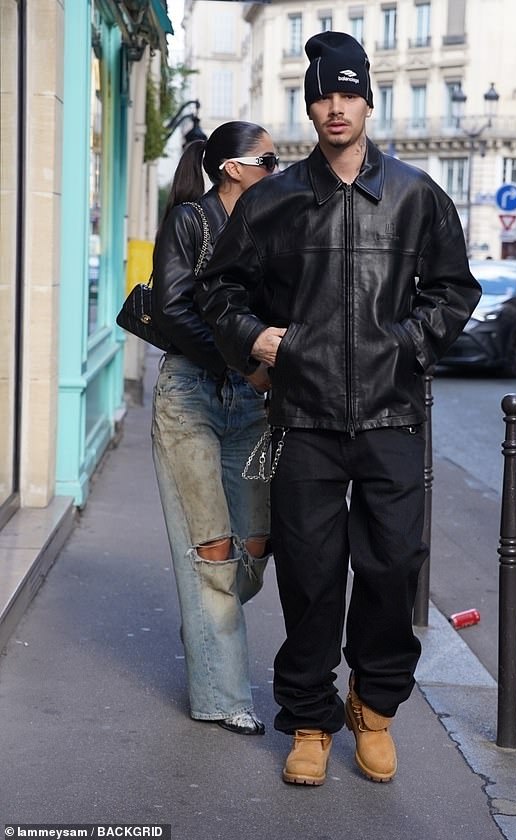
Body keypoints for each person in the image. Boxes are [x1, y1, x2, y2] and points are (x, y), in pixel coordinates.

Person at [195, 31, 481, 784]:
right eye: (321, 95)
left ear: (368, 100)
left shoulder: (417, 195)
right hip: (305, 418)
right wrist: (257, 339)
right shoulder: (277, 199)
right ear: (310, 105)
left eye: (347, 93)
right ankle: (311, 719)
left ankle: (374, 706)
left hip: (391, 417)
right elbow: (219, 292)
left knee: (392, 567)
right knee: (312, 575)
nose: (334, 107)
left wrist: (406, 345)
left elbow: (456, 292)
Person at [151, 121, 280, 735]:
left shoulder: (271, 225)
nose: (277, 169)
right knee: (212, 549)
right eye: (269, 159)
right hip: (191, 399)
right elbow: (173, 308)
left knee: (255, 544)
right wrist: (241, 362)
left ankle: (208, 620)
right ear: (233, 168)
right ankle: (224, 696)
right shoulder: (188, 222)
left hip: (253, 405)